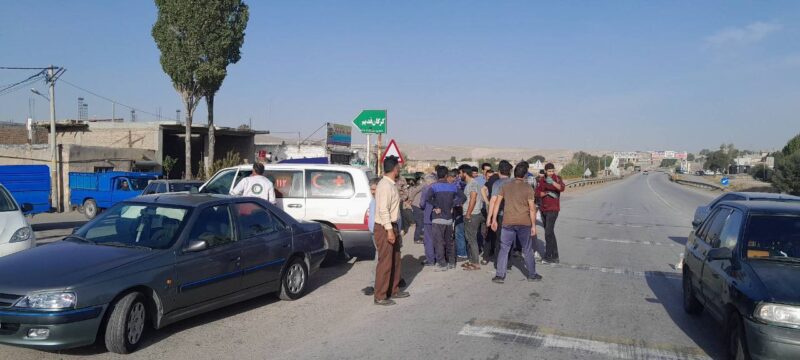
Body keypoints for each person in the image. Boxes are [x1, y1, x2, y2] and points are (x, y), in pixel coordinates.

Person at [490, 161, 542, 283]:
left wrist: (493, 219)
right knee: (527, 249)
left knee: (504, 249)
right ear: (525, 175)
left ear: (514, 173)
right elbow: (532, 209)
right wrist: (534, 225)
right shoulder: (528, 188)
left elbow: (497, 203)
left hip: (507, 222)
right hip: (524, 223)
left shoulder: (505, 186)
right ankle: (532, 275)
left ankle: (499, 275)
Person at [373, 156, 409, 306]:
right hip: (384, 227)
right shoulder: (384, 186)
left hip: (391, 226)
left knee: (395, 259)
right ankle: (380, 296)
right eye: (398, 167)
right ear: (395, 169)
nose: (399, 169)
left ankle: (393, 289)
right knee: (386, 262)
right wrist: (389, 230)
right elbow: (383, 210)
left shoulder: (391, 184)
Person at [425, 166, 465, 271]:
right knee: (449, 241)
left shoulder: (433, 187)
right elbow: (463, 197)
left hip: (437, 218)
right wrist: (453, 204)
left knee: (438, 242)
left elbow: (427, 198)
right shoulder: (453, 187)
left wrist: (436, 206)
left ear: (437, 175)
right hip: (449, 219)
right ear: (447, 175)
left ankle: (442, 263)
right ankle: (451, 262)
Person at [485, 160, 513, 268]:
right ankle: (509, 263)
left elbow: (493, 201)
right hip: (513, 216)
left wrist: (490, 218)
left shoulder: (498, 183)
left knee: (499, 240)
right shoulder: (514, 182)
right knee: (510, 240)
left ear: (499, 171)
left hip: (501, 215)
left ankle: (498, 263)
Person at [536, 163, 565, 264]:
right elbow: (537, 192)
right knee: (550, 232)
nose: (551, 173)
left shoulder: (557, 178)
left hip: (553, 209)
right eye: (549, 171)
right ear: (545, 171)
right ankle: (555, 255)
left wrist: (552, 183)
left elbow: (561, 188)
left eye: (553, 171)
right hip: (543, 209)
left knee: (548, 232)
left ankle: (548, 256)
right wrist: (545, 193)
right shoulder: (541, 180)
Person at [461, 165, 485, 270]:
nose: (459, 175)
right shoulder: (469, 184)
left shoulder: (473, 184)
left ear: (464, 173)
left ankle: (475, 263)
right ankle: (471, 261)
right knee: (469, 238)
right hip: (471, 213)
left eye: (460, 173)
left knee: (472, 239)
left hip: (473, 214)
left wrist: (468, 213)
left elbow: (473, 198)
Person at [418, 173, 438, 265]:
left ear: (428, 181)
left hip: (428, 216)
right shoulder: (439, 188)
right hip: (439, 216)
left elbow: (422, 204)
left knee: (428, 239)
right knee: (438, 238)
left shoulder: (426, 189)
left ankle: (430, 260)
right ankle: (439, 257)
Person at [408, 175, 426, 244]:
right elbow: (415, 191)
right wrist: (411, 199)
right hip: (417, 205)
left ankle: (420, 237)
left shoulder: (427, 184)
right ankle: (416, 238)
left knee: (421, 222)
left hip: (420, 205)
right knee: (419, 223)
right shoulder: (424, 184)